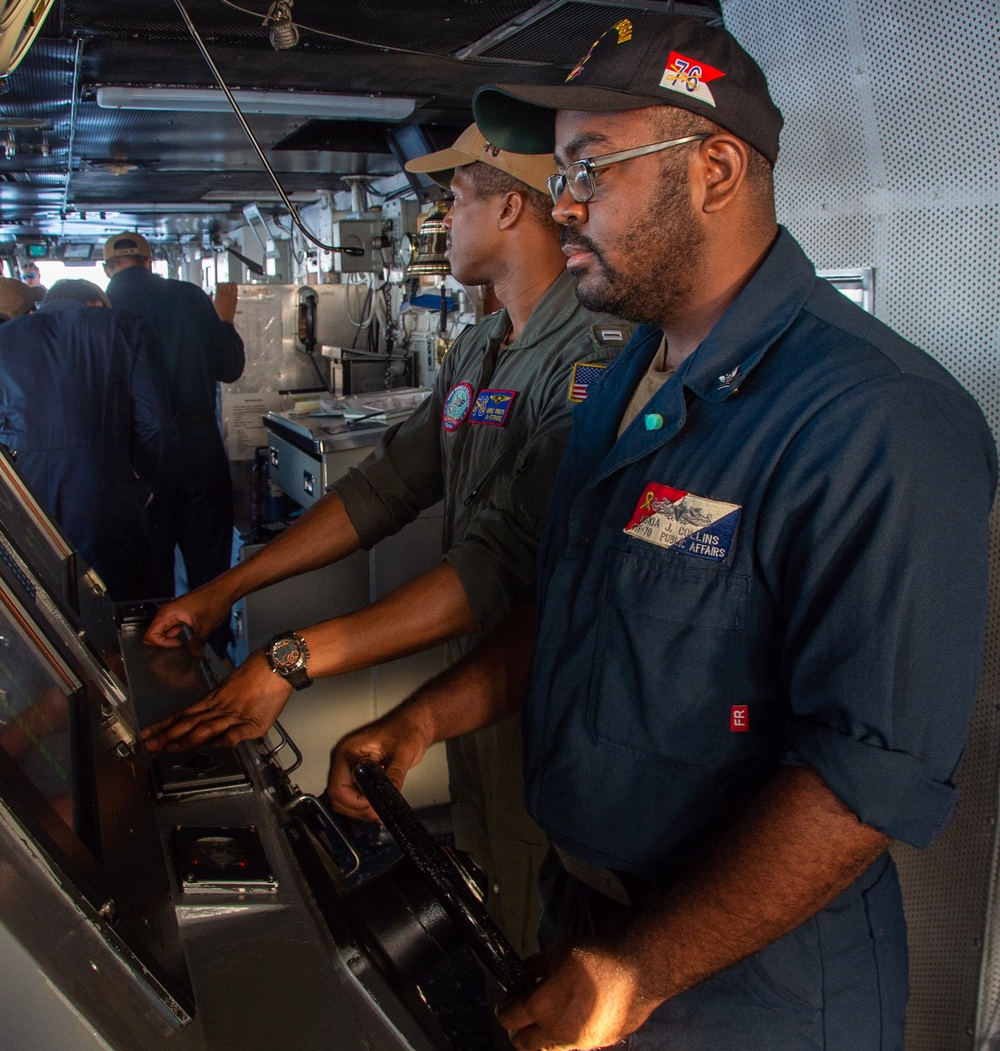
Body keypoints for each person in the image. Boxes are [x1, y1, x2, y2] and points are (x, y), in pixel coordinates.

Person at [324, 12, 997, 1051]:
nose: (564, 202)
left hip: (745, 994)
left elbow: (865, 780)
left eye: (590, 169)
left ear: (716, 168)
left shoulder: (872, 420)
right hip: (587, 926)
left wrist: (638, 973)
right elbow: (568, 608)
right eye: (559, 172)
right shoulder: (629, 378)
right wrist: (427, 719)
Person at [140, 126, 629, 968]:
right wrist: (225, 588)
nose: (445, 217)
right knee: (485, 873)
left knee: (542, 909)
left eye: (457, 199)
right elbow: (388, 487)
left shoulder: (592, 358)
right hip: (471, 678)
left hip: (546, 688)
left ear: (511, 206)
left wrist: (293, 658)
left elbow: (497, 562)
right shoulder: (484, 346)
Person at [0, 277, 175, 599]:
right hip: (108, 493)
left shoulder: (5, 338)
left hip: (25, 499)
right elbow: (157, 425)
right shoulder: (125, 326)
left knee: (42, 602)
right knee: (125, 605)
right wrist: (143, 482)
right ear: (94, 303)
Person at [102, 233, 244, 627]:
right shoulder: (190, 296)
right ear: (151, 261)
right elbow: (230, 368)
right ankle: (212, 659)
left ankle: (159, 661)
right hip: (201, 448)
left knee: (151, 574)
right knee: (210, 573)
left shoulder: (105, 311)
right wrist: (225, 319)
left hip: (140, 458)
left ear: (107, 269)